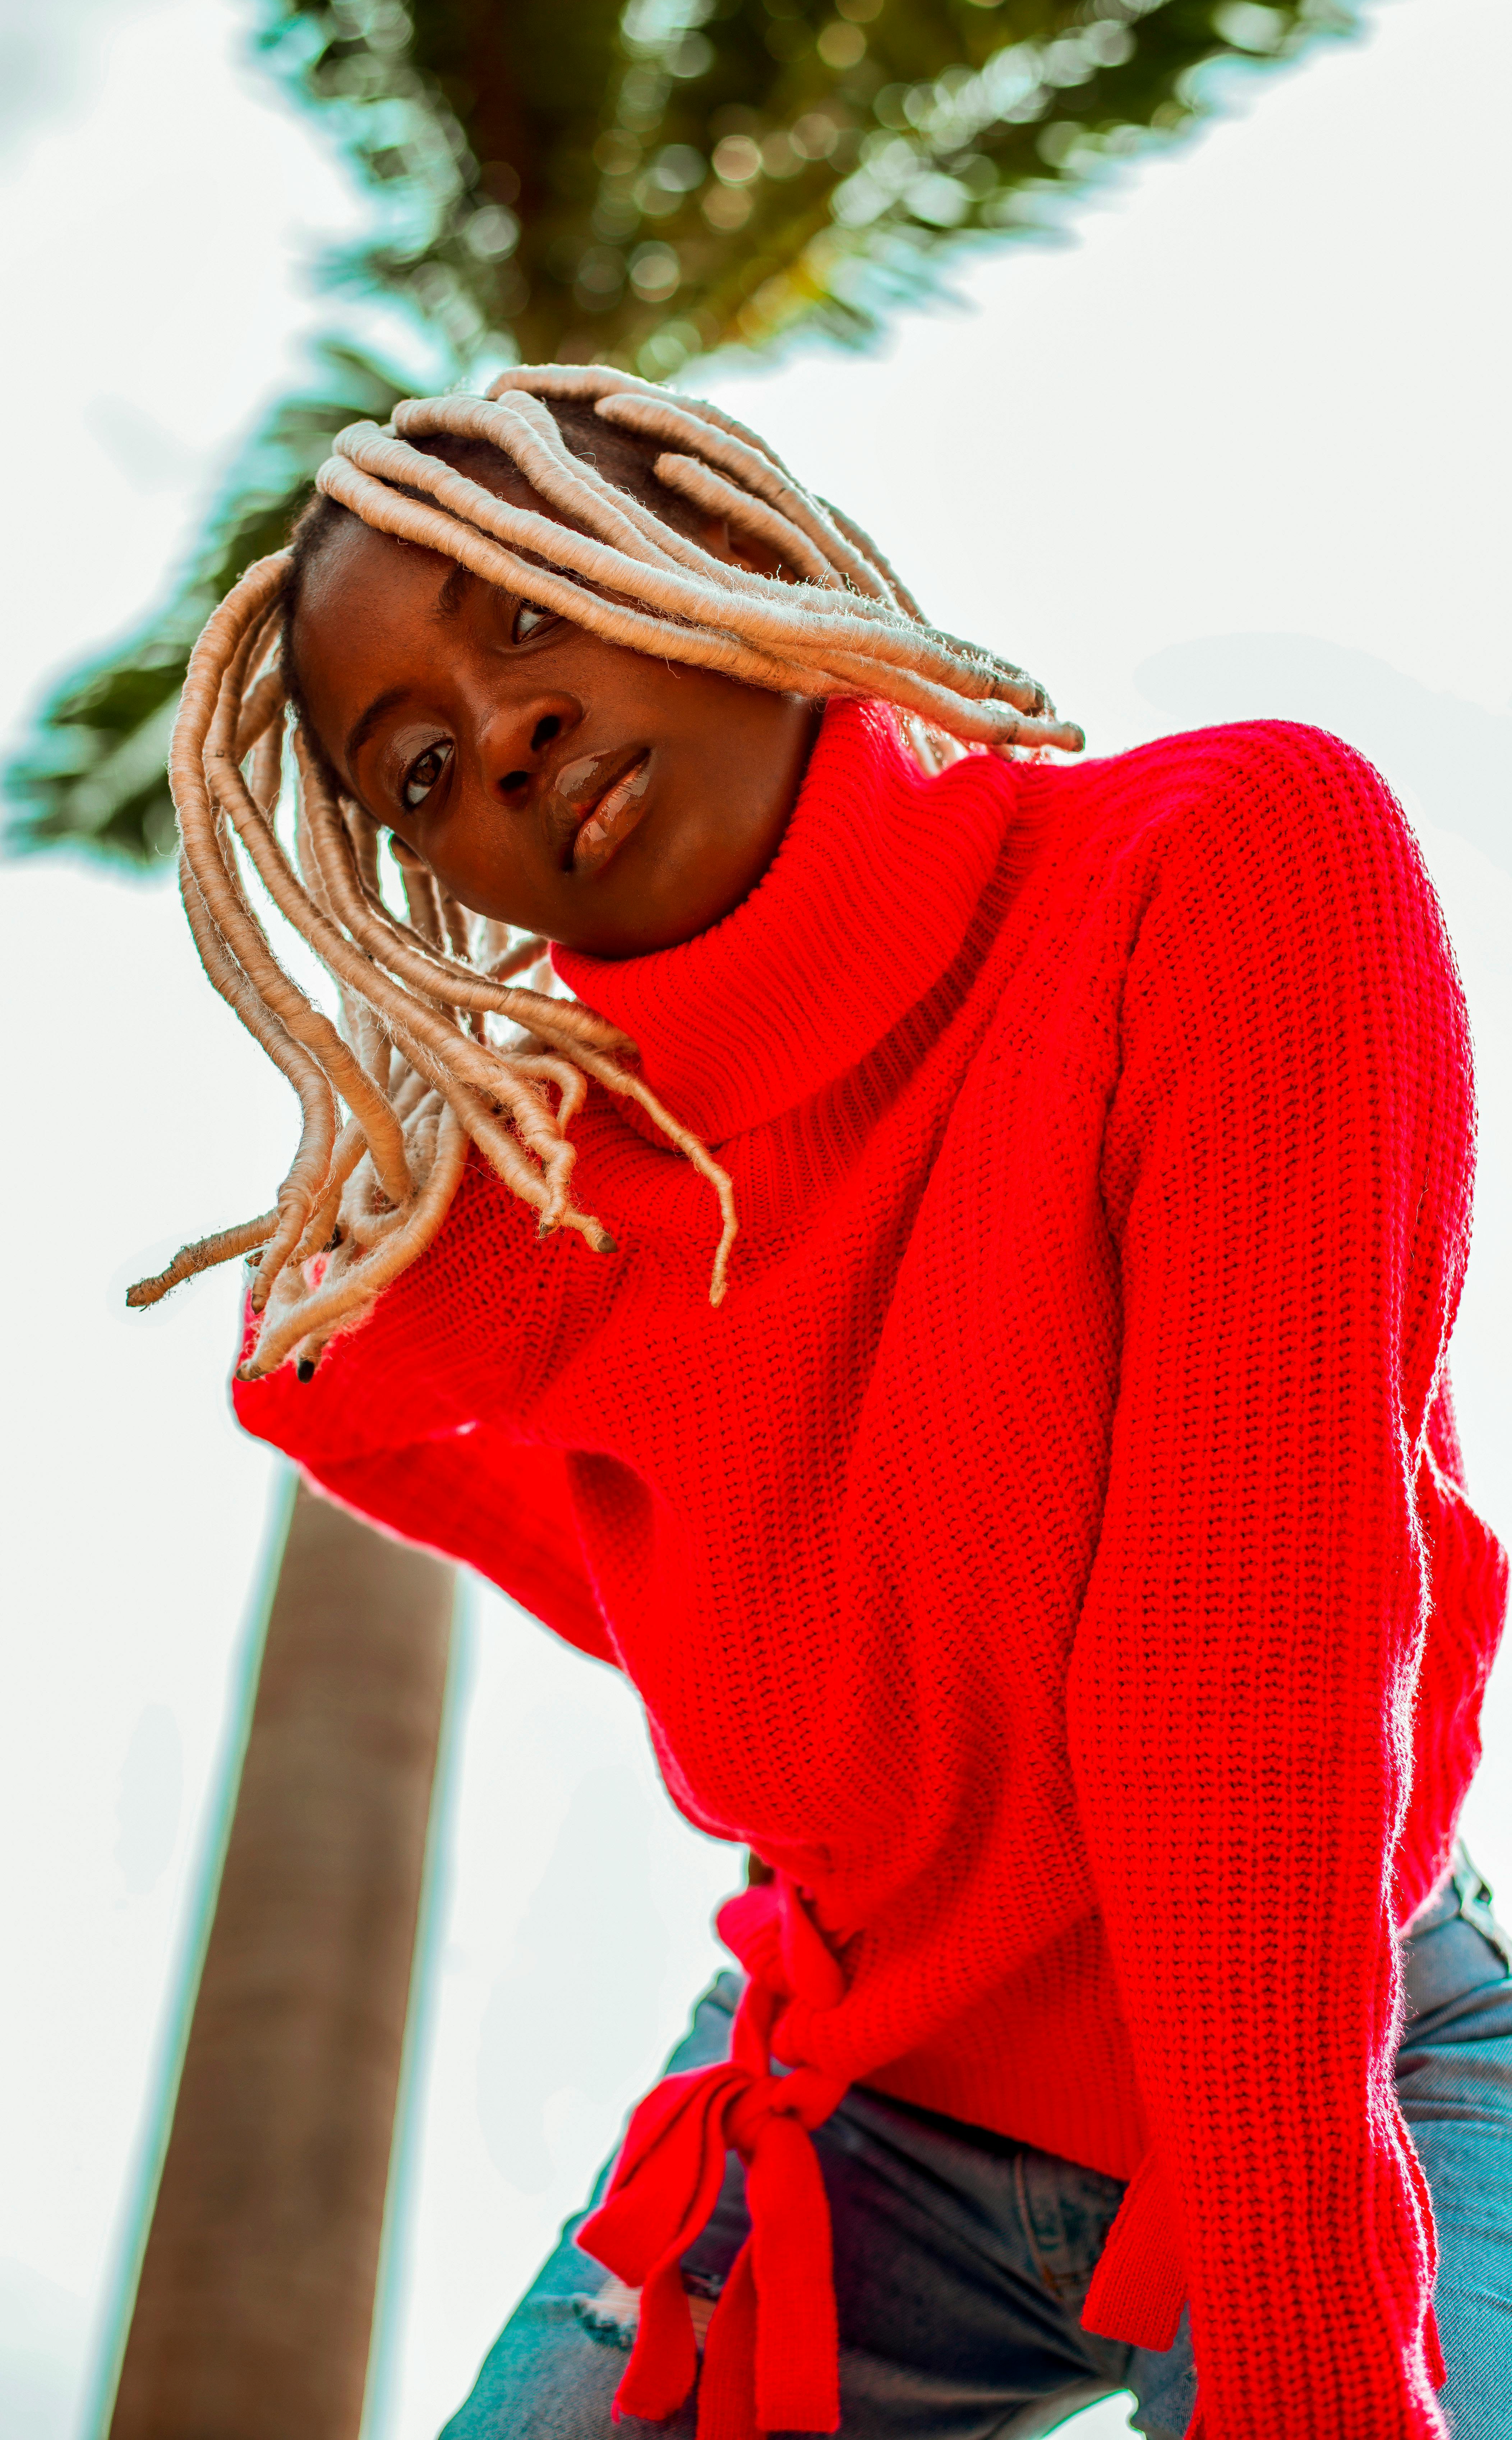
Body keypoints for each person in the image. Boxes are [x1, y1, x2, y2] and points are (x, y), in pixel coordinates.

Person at [134, 365, 1510, 2438]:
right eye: (415, 770)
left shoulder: (1222, 865)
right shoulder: (577, 1195)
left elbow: (1245, 1700)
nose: (497, 733)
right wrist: (819, 1654)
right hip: (852, 2096)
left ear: (736, 542)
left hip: (1338, 2043)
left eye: (530, 607)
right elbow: (314, 1393)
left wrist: (1318, 2377)